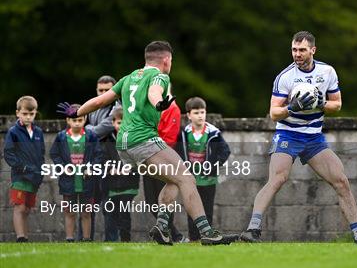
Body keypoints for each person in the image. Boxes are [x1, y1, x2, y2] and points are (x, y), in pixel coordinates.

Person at [57, 40, 233, 245]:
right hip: (143, 139)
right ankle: (207, 233)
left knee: (174, 180)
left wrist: (76, 111)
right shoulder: (160, 76)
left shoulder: (129, 77)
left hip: (123, 144)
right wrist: (159, 103)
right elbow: (154, 93)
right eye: (171, 60)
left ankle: (161, 228)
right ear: (166, 60)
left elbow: (100, 101)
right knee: (187, 179)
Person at [239, 31, 357, 244]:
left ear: (313, 50)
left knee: (341, 181)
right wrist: (292, 107)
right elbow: (273, 113)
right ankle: (252, 230)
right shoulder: (285, 77)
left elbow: (337, 104)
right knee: (278, 178)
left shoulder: (327, 72)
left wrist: (320, 104)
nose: (297, 54)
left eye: (302, 50)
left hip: (314, 137)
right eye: (294, 50)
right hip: (288, 133)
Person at [176, 97, 231, 241]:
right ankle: (193, 238)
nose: (200, 115)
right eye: (196, 113)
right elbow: (178, 153)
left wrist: (213, 167)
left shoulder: (214, 132)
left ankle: (207, 237)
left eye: (202, 112)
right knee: (191, 209)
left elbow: (225, 151)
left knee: (207, 210)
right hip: (190, 180)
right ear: (188, 115)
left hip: (208, 180)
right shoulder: (183, 133)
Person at [50, 104, 101, 242]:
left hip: (87, 180)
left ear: (85, 119)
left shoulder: (91, 136)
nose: (77, 123)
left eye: (80, 120)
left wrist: (92, 168)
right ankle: (69, 238)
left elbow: (98, 155)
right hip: (68, 180)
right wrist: (63, 167)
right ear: (68, 120)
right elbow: (54, 154)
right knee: (69, 211)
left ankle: (86, 238)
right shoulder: (61, 137)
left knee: (86, 212)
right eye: (74, 120)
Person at [142, 85, 187, 242]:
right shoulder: (149, 107)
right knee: (150, 201)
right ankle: (171, 233)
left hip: (162, 158)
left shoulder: (173, 108)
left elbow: (169, 138)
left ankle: (171, 234)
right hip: (147, 157)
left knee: (164, 198)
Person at [4, 96, 45, 242]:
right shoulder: (13, 132)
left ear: (35, 113)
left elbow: (41, 154)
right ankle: (20, 237)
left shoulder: (39, 132)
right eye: (25, 114)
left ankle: (25, 237)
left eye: (31, 114)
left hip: (34, 176)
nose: (28, 117)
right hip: (20, 176)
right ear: (18, 113)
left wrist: (40, 172)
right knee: (19, 207)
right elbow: (8, 154)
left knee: (27, 208)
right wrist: (23, 167)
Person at [84, 75, 118, 242]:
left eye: (107, 90)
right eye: (101, 90)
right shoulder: (94, 106)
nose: (104, 93)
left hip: (109, 157)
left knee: (108, 202)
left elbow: (106, 127)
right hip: (93, 157)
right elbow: (89, 126)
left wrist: (90, 130)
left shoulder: (118, 105)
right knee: (89, 201)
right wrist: (91, 129)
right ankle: (85, 238)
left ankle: (112, 239)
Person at [102, 107, 139, 242]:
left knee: (124, 213)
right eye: (118, 122)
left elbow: (138, 160)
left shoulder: (134, 139)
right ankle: (113, 239)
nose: (121, 125)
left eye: (124, 122)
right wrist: (111, 168)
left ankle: (125, 239)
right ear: (113, 123)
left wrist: (130, 168)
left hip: (129, 184)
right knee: (112, 213)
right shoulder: (108, 141)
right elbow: (104, 159)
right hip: (113, 185)